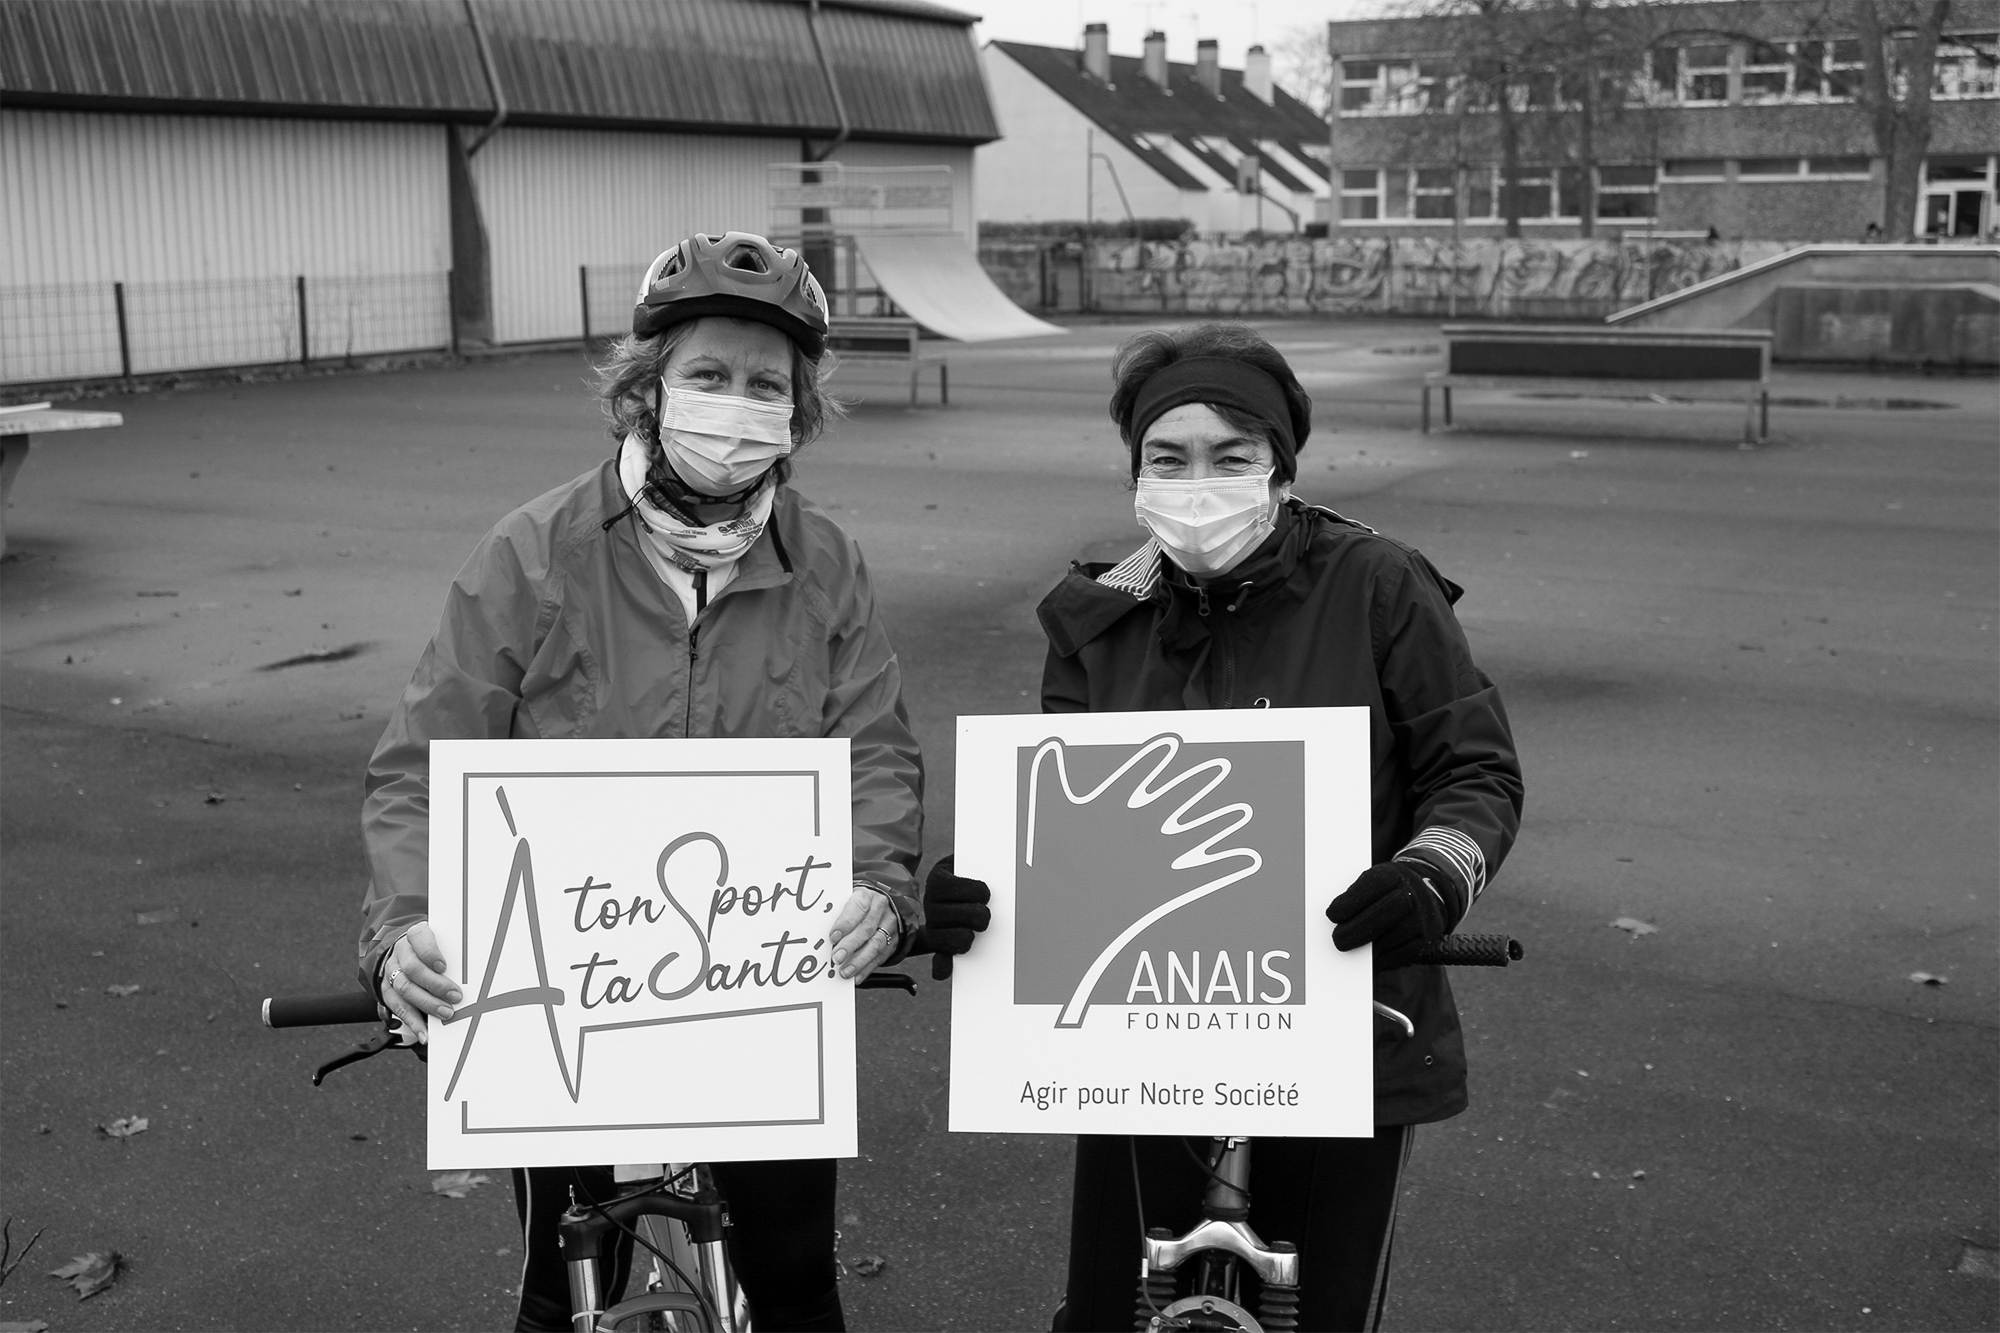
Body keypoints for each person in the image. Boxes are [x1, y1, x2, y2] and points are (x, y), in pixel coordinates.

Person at [357, 232, 923, 1333]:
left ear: (798, 413)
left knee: (797, 1282)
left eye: (767, 385)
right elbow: (423, 761)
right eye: (708, 375)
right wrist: (403, 923)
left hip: (763, 989)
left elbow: (874, 747)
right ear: (643, 389)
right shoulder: (532, 552)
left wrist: (879, 883)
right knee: (563, 1288)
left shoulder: (826, 560)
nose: (737, 405)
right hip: (563, 997)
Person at [931, 322, 1523, 1331]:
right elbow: (1061, 810)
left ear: (1280, 470)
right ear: (1133, 471)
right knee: (1112, 1306)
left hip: (1345, 1010)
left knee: (1321, 1311)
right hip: (1146, 1023)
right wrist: (981, 883)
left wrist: (1429, 875)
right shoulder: (1094, 620)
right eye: (1167, 457)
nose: (1195, 480)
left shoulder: (1378, 583)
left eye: (1229, 455)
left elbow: (1471, 770)